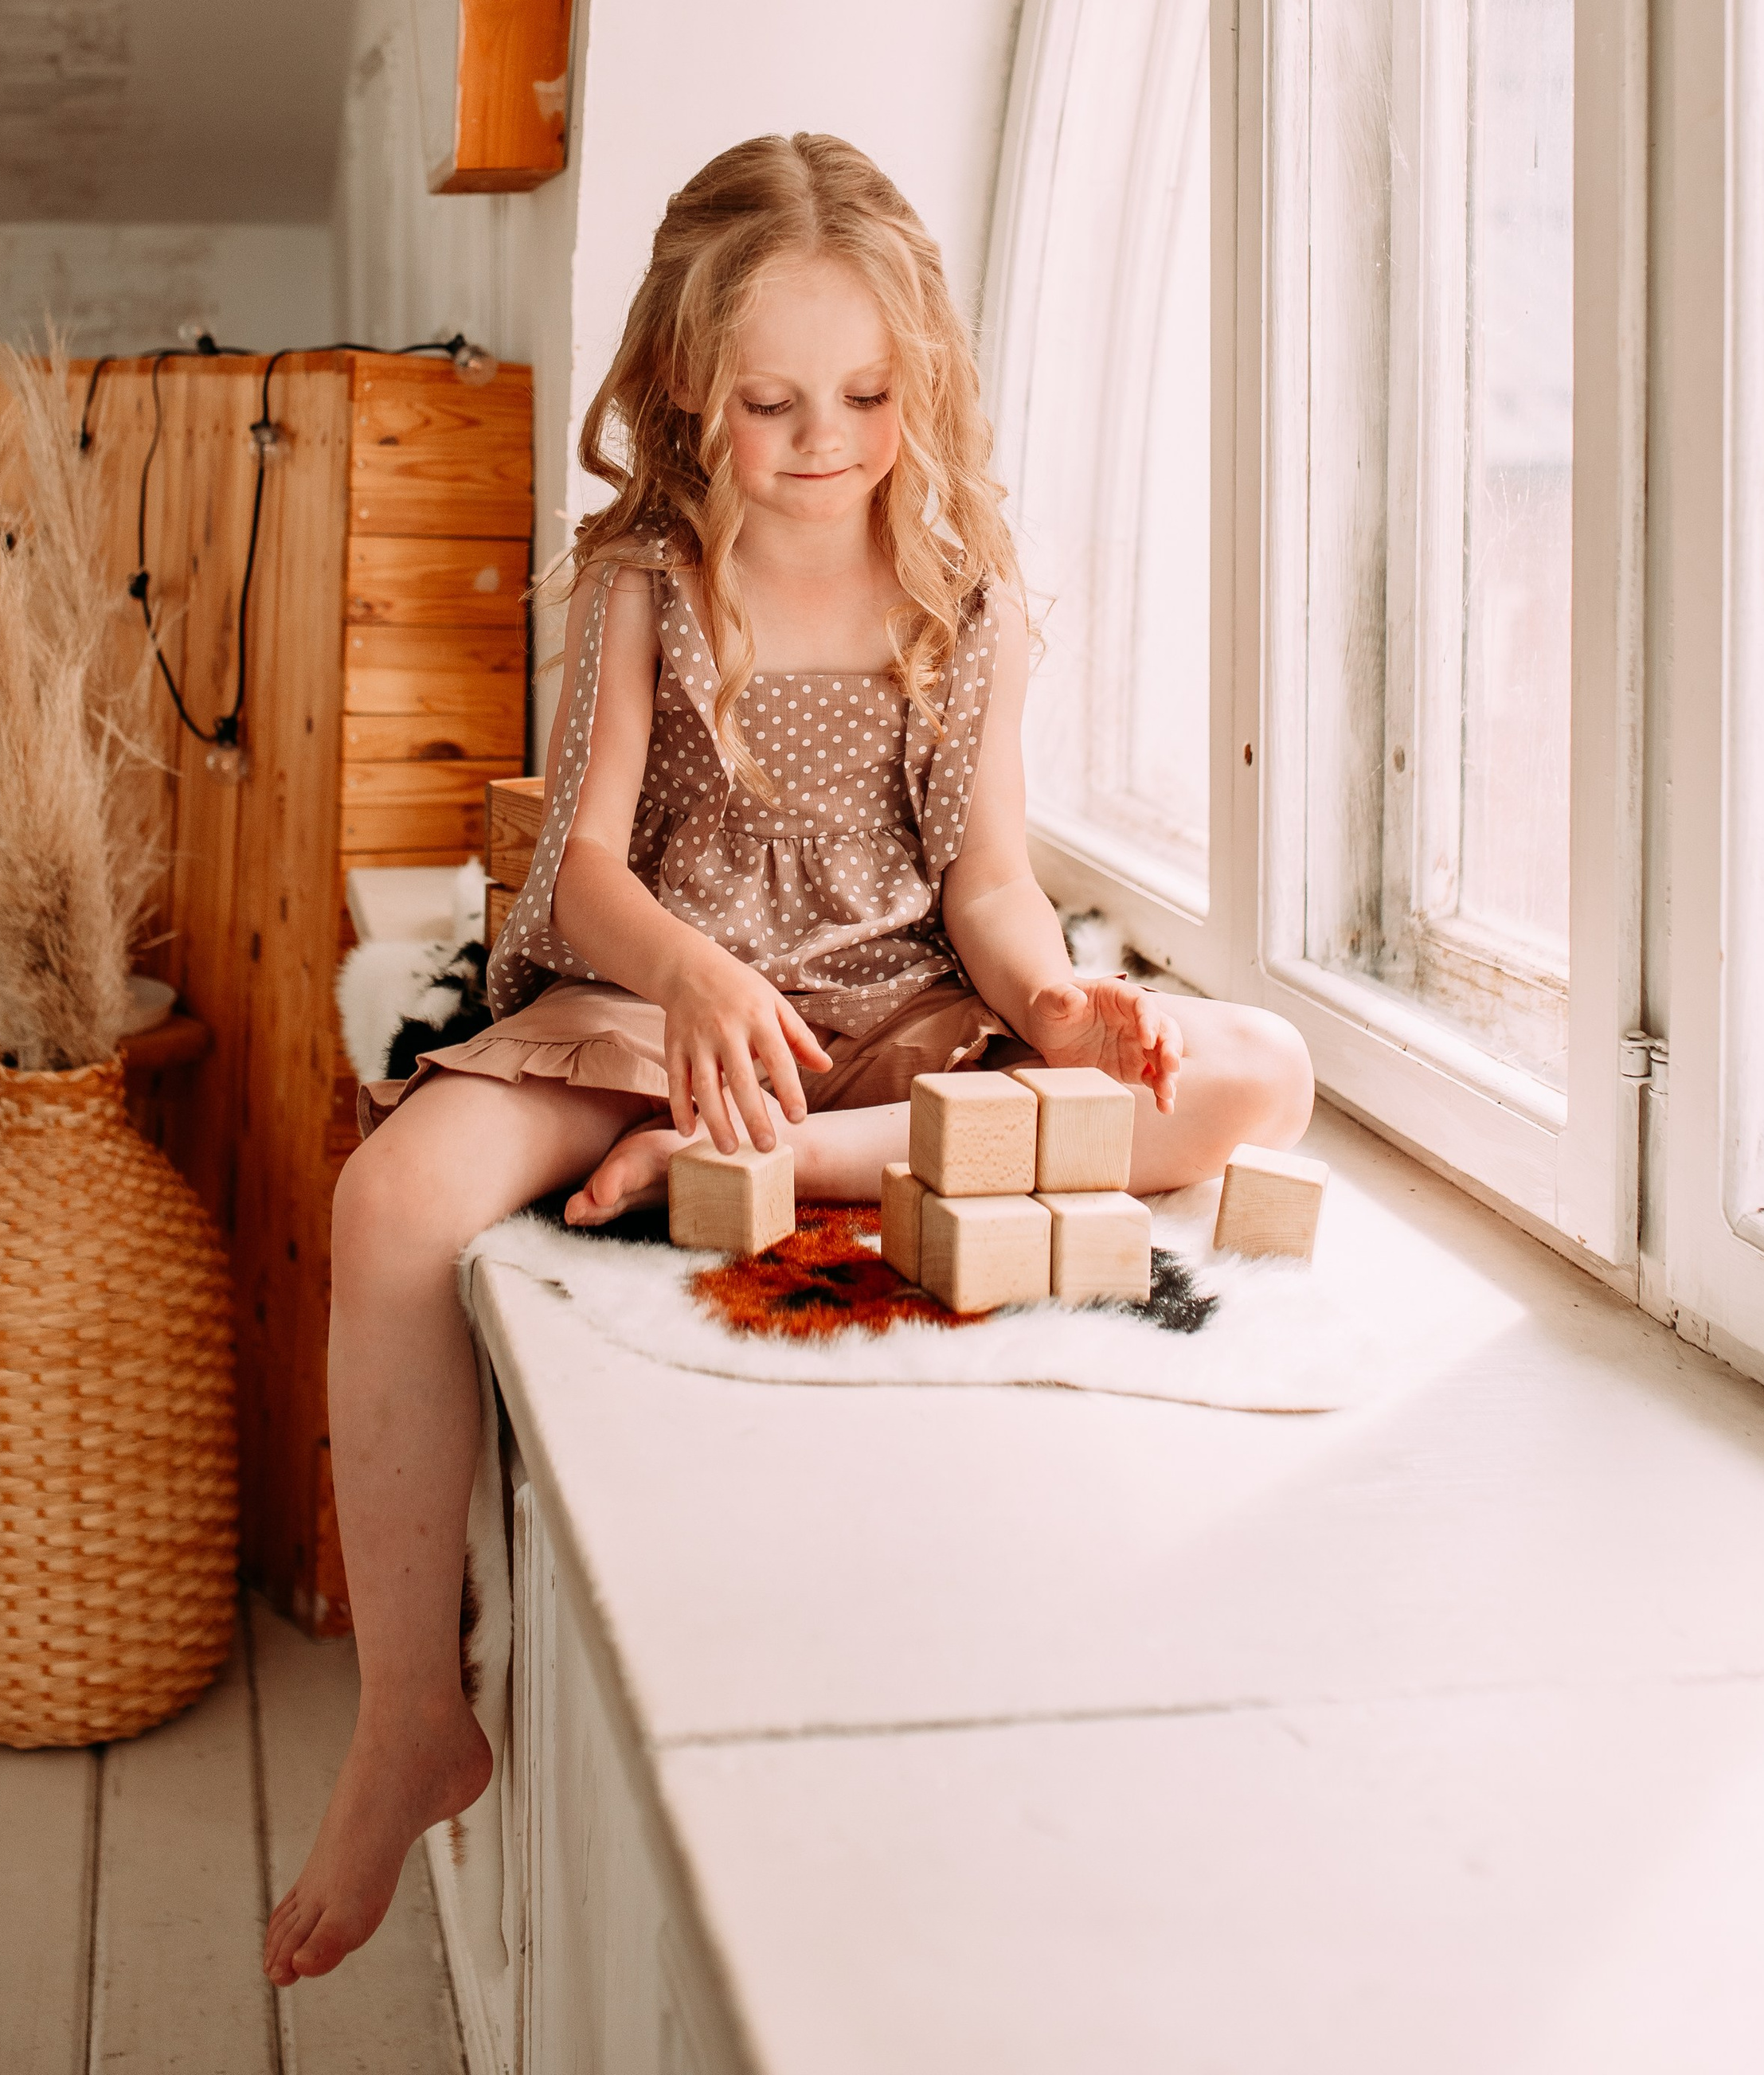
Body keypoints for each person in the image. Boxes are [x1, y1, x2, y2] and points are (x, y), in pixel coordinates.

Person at [264, 133, 1312, 1987]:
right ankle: (412, 1717)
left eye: (864, 395)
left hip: (898, 1024)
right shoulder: (643, 581)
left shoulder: (964, 589)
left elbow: (987, 885)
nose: (822, 438)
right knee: (389, 1200)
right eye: (770, 401)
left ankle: (744, 1172)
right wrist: (687, 982)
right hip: (664, 1011)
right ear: (685, 382)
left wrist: (1058, 1005)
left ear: (920, 385)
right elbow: (578, 870)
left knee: (1258, 1074)